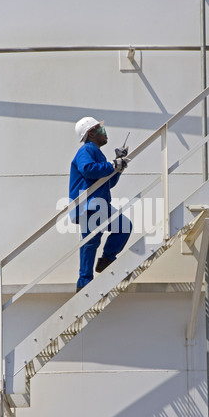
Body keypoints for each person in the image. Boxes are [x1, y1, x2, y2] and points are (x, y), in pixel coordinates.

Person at [69, 117, 132, 292]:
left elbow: (107, 183)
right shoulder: (87, 150)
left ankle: (106, 260)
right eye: (99, 128)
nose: (104, 132)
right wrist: (113, 165)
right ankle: (84, 282)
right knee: (91, 240)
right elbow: (88, 169)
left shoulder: (95, 152)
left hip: (99, 203)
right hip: (88, 204)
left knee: (124, 226)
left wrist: (117, 167)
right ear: (91, 133)